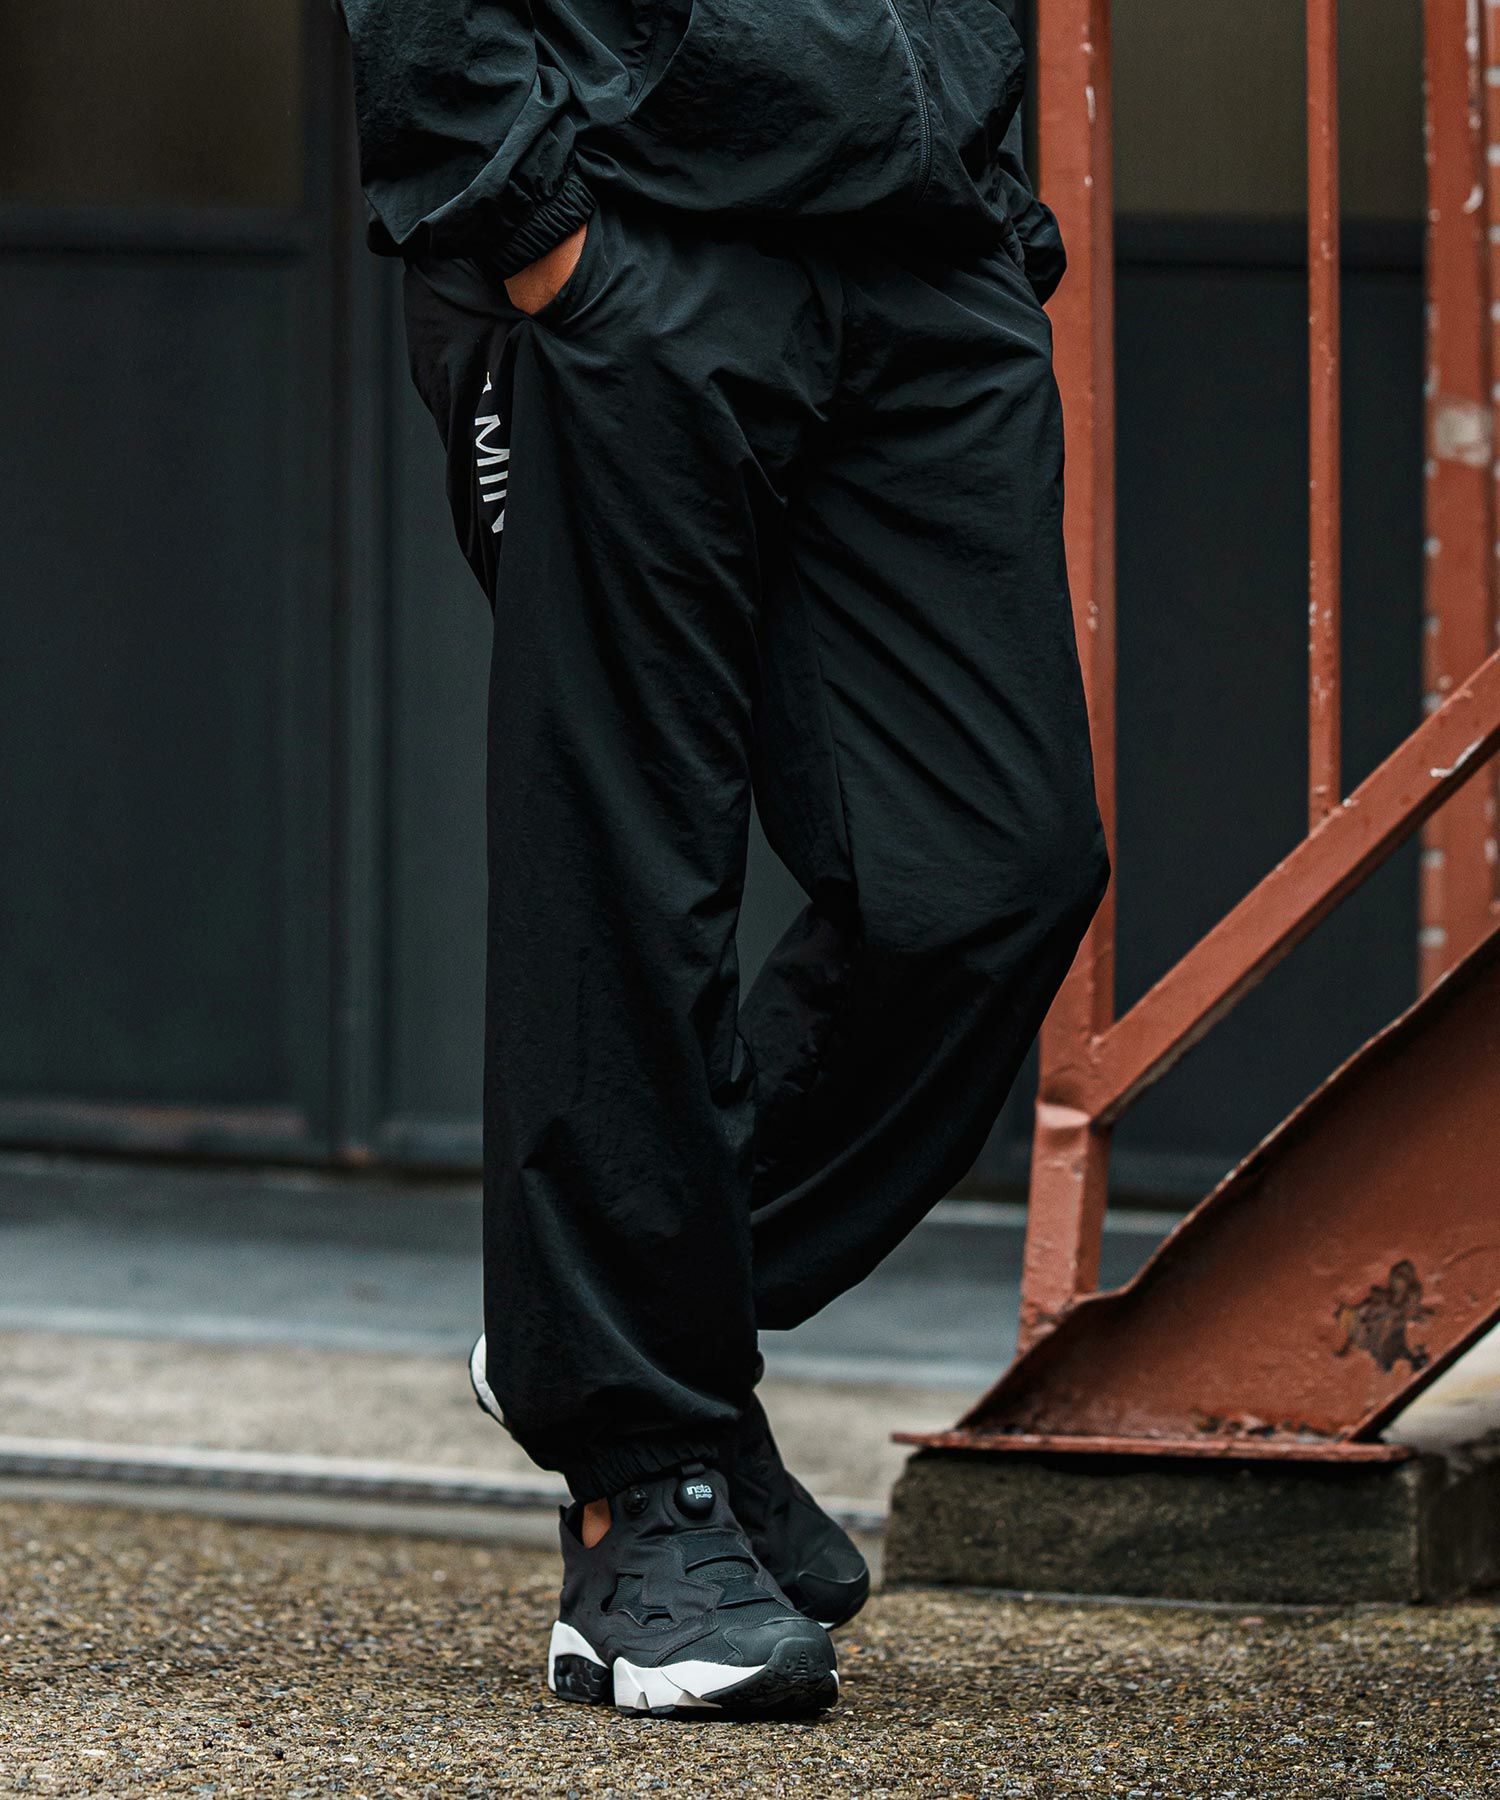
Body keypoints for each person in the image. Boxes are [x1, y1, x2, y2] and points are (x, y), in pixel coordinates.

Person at [337, 0, 1107, 1720]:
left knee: (993, 874)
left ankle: (613, 1328)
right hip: (626, 243)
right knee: (631, 870)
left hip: (920, 253)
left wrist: (987, 189)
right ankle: (638, 1482)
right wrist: (526, 220)